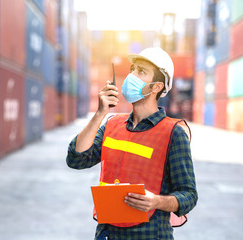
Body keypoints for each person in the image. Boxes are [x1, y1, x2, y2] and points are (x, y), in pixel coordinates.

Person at [66, 47, 198, 240]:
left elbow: (189, 195)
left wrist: (157, 201)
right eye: (133, 69)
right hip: (107, 234)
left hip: (150, 235)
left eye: (141, 72)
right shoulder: (112, 124)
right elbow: (76, 159)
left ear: (156, 87)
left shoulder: (173, 133)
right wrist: (100, 113)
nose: (132, 76)